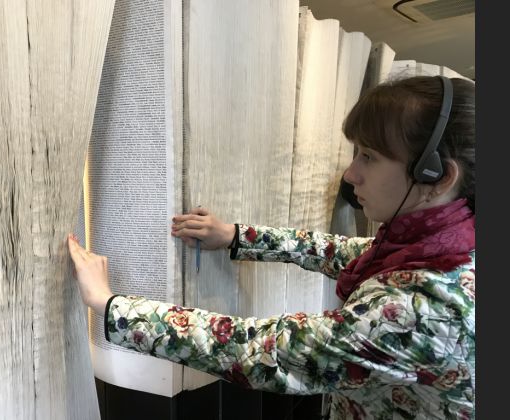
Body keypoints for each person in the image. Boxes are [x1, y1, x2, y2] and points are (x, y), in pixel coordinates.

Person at [67, 75, 475, 419]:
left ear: (438, 176)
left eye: (369, 156)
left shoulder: (429, 307)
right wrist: (235, 236)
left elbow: (263, 350)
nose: (351, 174)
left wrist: (110, 305)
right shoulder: (440, 249)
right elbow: (335, 250)